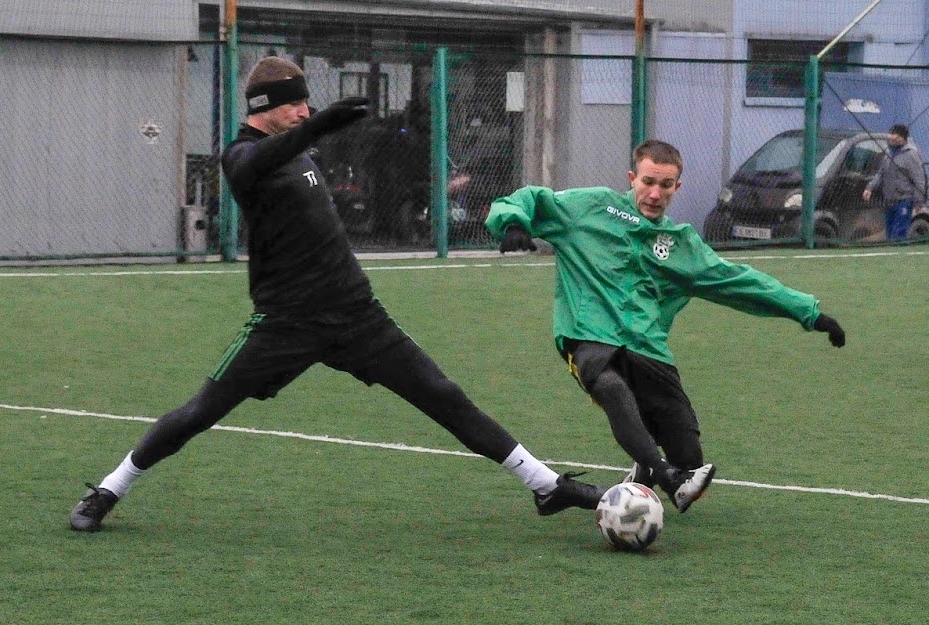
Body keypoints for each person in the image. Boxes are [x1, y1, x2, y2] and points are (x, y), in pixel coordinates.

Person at [69, 56, 602, 532]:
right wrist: (320, 123)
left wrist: (318, 127)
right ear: (264, 108)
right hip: (286, 323)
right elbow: (255, 162)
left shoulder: (301, 150)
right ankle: (109, 490)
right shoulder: (241, 156)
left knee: (443, 396)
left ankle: (546, 486)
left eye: (307, 103)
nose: (303, 111)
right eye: (294, 104)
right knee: (200, 411)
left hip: (356, 314)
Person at [487, 139, 846, 513]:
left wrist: (810, 313)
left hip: (647, 348)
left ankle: (650, 468)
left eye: (665, 185)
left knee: (690, 457)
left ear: (678, 187)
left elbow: (740, 281)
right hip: (587, 335)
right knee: (611, 387)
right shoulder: (591, 207)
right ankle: (663, 475)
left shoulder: (681, 245)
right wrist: (513, 221)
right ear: (632, 178)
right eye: (648, 182)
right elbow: (529, 198)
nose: (655, 193)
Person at [862, 123, 927, 241]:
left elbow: (919, 179)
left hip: (904, 200)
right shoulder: (888, 153)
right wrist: (869, 188)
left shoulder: (911, 154)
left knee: (898, 234)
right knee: (890, 233)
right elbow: (880, 174)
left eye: (894, 134)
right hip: (889, 201)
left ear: (901, 137)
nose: (890, 137)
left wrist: (919, 202)